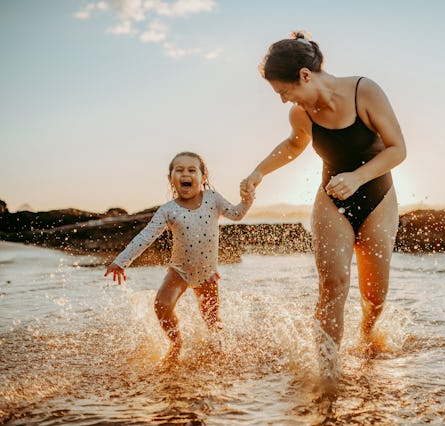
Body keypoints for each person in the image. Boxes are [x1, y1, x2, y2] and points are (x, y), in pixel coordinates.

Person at [241, 31, 406, 382]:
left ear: (304, 75)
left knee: (374, 296)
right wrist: (259, 172)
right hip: (331, 200)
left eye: (284, 91)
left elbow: (397, 149)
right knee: (333, 283)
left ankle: (368, 334)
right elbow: (293, 145)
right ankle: (328, 372)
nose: (284, 100)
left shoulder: (365, 91)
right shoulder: (302, 114)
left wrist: (358, 178)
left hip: (378, 198)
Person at [105, 151, 254, 362]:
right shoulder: (168, 210)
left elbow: (237, 214)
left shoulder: (213, 199)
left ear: (203, 177)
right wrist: (121, 261)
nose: (186, 173)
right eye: (179, 170)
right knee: (162, 306)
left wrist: (247, 199)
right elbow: (146, 236)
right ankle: (176, 343)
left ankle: (222, 350)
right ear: (171, 178)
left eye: (192, 170)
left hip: (207, 275)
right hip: (180, 272)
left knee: (212, 319)